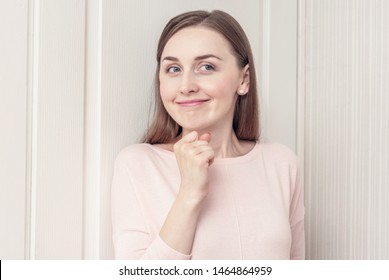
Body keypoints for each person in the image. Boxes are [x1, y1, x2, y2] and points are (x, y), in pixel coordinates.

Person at [111, 10, 305, 260]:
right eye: (173, 69)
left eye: (206, 66)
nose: (186, 85)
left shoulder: (281, 163)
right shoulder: (137, 164)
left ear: (243, 79)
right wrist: (190, 193)